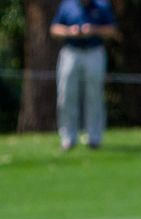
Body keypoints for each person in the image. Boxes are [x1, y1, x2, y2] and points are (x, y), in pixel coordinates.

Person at [49, 0, 119, 151]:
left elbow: (112, 30)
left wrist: (94, 30)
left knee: (94, 95)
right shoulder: (67, 5)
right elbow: (54, 29)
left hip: (94, 52)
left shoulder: (102, 6)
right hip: (71, 52)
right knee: (66, 95)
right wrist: (70, 31)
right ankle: (68, 138)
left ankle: (94, 138)